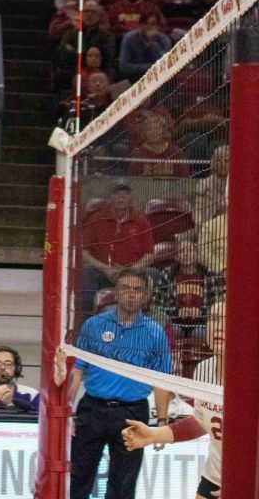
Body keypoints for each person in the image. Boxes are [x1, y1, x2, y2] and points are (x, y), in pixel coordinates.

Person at [64, 267, 173, 499]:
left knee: (123, 485)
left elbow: (162, 382)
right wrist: (67, 411)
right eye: (126, 288)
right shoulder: (94, 326)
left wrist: (162, 423)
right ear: (116, 292)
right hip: (93, 409)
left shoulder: (155, 334)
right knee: (79, 476)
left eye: (137, 290)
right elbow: (77, 371)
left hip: (132, 413)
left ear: (146, 295)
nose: (131, 294)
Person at [119, 301, 224, 499]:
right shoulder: (204, 369)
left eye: (227, 320)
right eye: (214, 319)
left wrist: (243, 481)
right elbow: (202, 421)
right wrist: (153, 434)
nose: (218, 326)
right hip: (215, 476)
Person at [81, 182, 155, 314]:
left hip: (133, 272)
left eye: (125, 194)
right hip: (103, 272)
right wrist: (106, 269)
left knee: (153, 274)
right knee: (88, 273)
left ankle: (146, 319)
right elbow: (84, 253)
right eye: (117, 194)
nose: (121, 198)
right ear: (110, 197)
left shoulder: (141, 221)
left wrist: (130, 270)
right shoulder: (96, 219)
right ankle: (87, 318)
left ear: (131, 198)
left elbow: (149, 255)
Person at [0, 346, 39, 411]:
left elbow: (39, 419)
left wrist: (10, 404)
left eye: (8, 364)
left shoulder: (32, 394)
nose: (2, 367)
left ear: (16, 368)